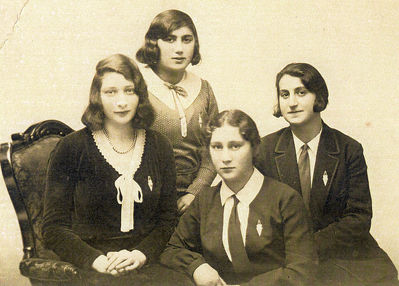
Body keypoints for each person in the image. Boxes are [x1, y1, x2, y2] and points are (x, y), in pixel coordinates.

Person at [42, 54, 191, 285]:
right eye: (111, 92)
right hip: (90, 267)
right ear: (97, 97)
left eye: (129, 91)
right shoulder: (72, 148)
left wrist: (140, 255)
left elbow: (167, 220)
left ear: (140, 96)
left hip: (146, 261)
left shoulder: (159, 146)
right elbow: (53, 228)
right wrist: (96, 261)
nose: (121, 101)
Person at [255, 63, 399, 285]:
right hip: (285, 254)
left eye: (301, 92)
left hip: (339, 252)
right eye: (285, 94)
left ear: (318, 97)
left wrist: (310, 247)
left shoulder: (348, 149)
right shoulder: (264, 149)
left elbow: (359, 218)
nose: (292, 102)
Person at [160, 109, 315, 286]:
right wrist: (197, 267)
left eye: (235, 146)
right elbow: (171, 249)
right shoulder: (205, 200)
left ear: (254, 148)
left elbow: (302, 270)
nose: (225, 158)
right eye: (217, 147)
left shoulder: (285, 200)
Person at [136, 9, 219, 214]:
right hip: (146, 200)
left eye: (187, 39)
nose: (180, 49)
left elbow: (214, 148)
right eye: (170, 39)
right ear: (155, 44)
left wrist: (195, 192)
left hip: (195, 201)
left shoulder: (204, 89)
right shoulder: (136, 88)